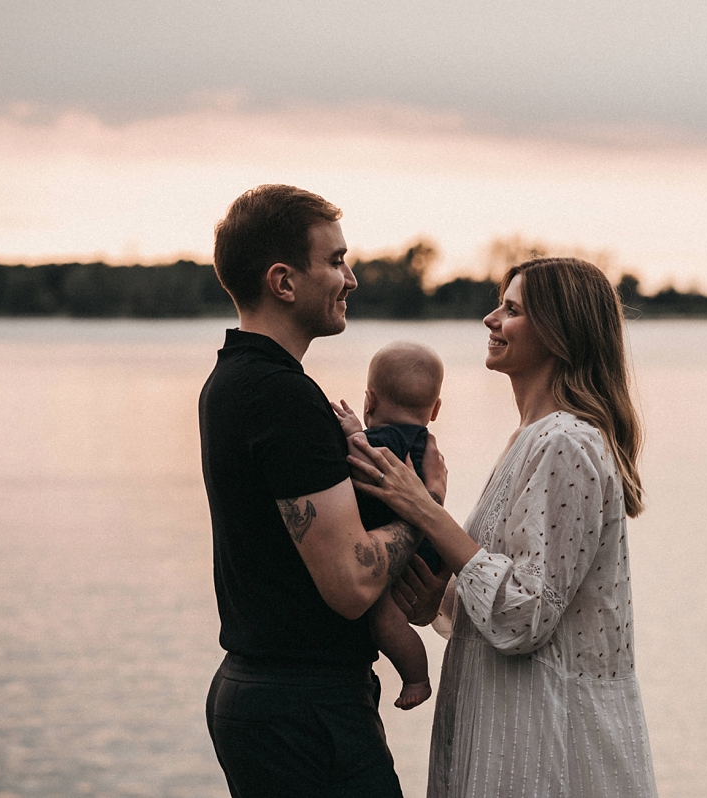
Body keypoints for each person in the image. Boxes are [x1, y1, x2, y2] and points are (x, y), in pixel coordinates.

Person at [351, 257, 658, 797]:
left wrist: (423, 508)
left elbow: (527, 614)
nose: (490, 320)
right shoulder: (532, 439)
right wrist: (439, 600)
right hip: (505, 723)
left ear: (558, 333)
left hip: (546, 742)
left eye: (511, 310)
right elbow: (518, 589)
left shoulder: (566, 442)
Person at [199, 184, 445, 798]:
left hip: (268, 698)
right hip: (303, 711)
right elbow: (354, 581)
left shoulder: (232, 380)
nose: (351, 278)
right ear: (283, 281)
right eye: (335, 260)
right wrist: (423, 505)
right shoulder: (282, 398)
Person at [332, 340, 447, 710]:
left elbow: (361, 458)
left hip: (406, 547)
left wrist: (351, 432)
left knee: (384, 617)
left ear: (370, 401)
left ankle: (417, 677)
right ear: (435, 409)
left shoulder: (382, 440)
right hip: (433, 545)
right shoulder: (423, 441)